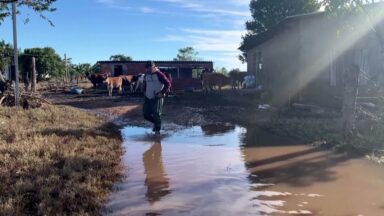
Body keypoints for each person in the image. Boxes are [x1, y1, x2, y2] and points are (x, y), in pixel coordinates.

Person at [143, 61, 171, 135]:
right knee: (146, 115)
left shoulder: (159, 74)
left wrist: (162, 93)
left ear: (153, 67)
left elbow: (168, 84)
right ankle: (156, 123)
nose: (147, 70)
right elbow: (145, 84)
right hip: (148, 97)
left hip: (157, 97)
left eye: (149, 68)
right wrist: (144, 92)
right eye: (146, 68)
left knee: (156, 114)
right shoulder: (146, 75)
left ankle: (157, 132)